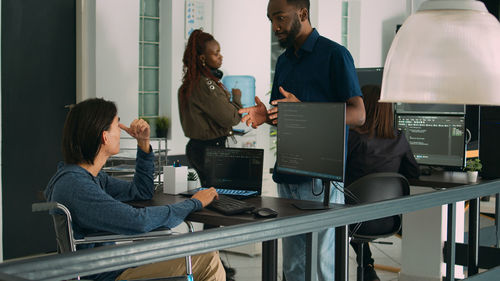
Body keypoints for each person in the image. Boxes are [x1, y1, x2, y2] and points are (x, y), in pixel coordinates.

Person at [239, 0, 366, 280]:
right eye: (270, 19)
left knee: (324, 266)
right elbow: (288, 116)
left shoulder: (335, 55)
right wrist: (266, 115)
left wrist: (304, 110)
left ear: (303, 13)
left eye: (280, 18)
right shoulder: (284, 60)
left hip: (321, 179)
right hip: (288, 174)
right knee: (294, 266)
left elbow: (358, 115)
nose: (275, 27)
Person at [44, 98, 225, 281]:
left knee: (200, 256)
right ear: (104, 137)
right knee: (207, 259)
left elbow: (141, 192)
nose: (122, 129)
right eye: (117, 124)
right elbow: (138, 222)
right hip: (106, 276)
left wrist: (143, 143)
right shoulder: (77, 186)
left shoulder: (88, 178)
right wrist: (194, 203)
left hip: (115, 267)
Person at [346, 85, 420, 281]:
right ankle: (367, 266)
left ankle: (366, 265)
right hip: (390, 219)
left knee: (347, 204)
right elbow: (413, 173)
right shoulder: (399, 139)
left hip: (353, 221)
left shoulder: (352, 138)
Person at [178, 29, 242, 187]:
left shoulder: (189, 84)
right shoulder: (205, 85)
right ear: (202, 58)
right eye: (216, 53)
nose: (221, 56)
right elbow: (231, 118)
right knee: (221, 198)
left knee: (210, 196)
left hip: (197, 148)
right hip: (211, 151)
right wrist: (237, 99)